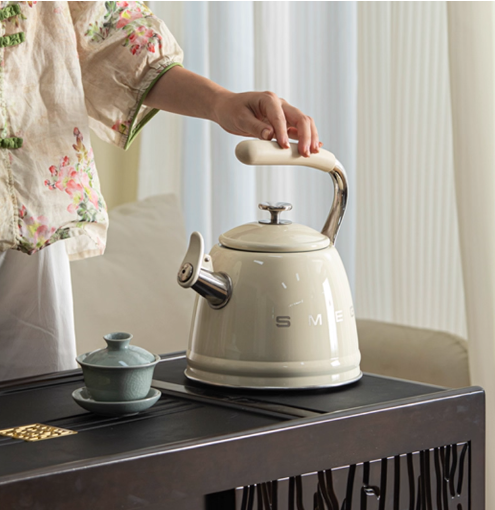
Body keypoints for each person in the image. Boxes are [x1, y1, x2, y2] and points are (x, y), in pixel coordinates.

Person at [0, 1, 320, 381]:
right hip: (33, 204)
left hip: (33, 208)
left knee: (40, 417)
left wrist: (220, 102)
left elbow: (111, 31)